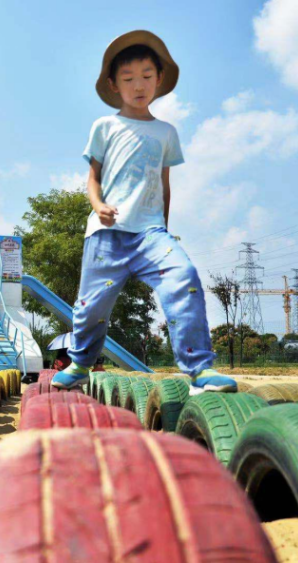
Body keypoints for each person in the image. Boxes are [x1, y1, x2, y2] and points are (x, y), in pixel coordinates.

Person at [52, 30, 235, 393]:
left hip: (151, 233)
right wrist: (98, 205)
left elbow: (164, 184)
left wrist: (164, 230)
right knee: (92, 307)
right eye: (129, 78)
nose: (139, 85)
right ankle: (80, 363)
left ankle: (199, 369)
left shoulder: (166, 132)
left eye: (147, 77)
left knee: (184, 275)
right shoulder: (105, 126)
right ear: (113, 84)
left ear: (160, 79)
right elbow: (93, 179)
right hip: (106, 234)